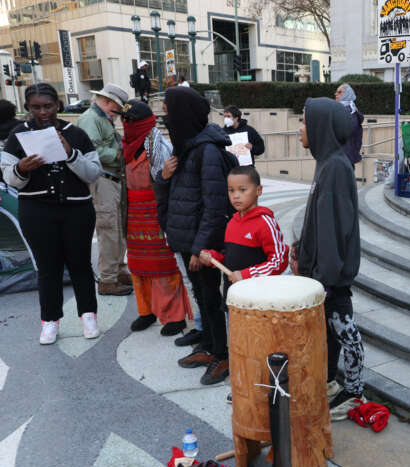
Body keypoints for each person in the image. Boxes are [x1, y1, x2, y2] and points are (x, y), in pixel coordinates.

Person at [1, 83, 102, 344]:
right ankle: (50, 321)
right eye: (36, 107)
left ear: (58, 105)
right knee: (47, 268)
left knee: (80, 264)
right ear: (27, 108)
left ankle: (88, 315)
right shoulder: (17, 135)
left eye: (48, 106)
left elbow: (93, 173)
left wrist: (70, 154)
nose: (43, 112)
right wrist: (22, 168)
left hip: (77, 208)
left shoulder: (76, 133)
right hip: (36, 210)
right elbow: (10, 179)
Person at [294, 97, 365, 421]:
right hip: (322, 271)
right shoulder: (327, 162)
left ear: (321, 127)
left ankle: (354, 392)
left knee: (344, 328)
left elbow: (336, 229)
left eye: (305, 122)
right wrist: (301, 250)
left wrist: (324, 276)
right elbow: (316, 221)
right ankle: (335, 384)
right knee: (331, 333)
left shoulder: (336, 167)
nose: (300, 129)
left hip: (331, 276)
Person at [158, 86, 233, 386]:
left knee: (212, 300)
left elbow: (214, 207)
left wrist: (200, 248)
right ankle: (210, 347)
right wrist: (162, 178)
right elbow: (176, 196)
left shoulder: (207, 151)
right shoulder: (186, 148)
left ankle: (223, 355)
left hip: (202, 247)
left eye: (168, 110)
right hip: (187, 242)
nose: (165, 116)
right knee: (203, 298)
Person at [119, 99, 193, 336]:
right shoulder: (126, 144)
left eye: (131, 120)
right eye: (124, 119)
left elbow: (169, 179)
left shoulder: (158, 146)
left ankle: (174, 316)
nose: (126, 124)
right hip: (133, 213)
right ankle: (147, 310)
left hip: (156, 210)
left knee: (164, 266)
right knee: (138, 267)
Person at [199, 165, 289, 299]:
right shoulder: (231, 223)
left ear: (258, 190)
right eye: (231, 190)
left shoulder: (265, 223)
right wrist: (212, 258)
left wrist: (247, 274)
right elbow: (230, 257)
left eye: (242, 190)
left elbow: (278, 261)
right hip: (234, 298)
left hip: (259, 299)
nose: (236, 196)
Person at [77, 83, 132, 296]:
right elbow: (92, 150)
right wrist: (119, 154)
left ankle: (117, 271)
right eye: (117, 109)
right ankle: (108, 278)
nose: (117, 115)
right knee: (109, 229)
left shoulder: (99, 118)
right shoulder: (91, 119)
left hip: (109, 178)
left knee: (116, 228)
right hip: (103, 179)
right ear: (108, 102)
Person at [334, 84, 364, 167]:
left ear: (347, 94)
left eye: (339, 92)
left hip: (344, 157)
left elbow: (347, 131)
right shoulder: (343, 109)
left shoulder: (349, 111)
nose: (336, 94)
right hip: (343, 156)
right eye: (336, 92)